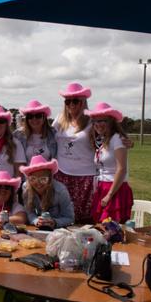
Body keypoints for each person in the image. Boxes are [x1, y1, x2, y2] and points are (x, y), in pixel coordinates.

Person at [52, 82, 96, 223]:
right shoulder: (60, 119)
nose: (71, 104)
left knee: (83, 221)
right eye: (68, 101)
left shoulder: (92, 121)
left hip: (85, 178)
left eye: (75, 101)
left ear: (83, 102)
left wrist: (125, 141)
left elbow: (108, 140)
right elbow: (45, 137)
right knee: (62, 218)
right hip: (62, 175)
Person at [87, 102, 134, 223]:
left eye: (103, 120)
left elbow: (121, 169)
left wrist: (110, 195)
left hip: (114, 189)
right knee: (101, 227)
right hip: (102, 186)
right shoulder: (102, 140)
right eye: (95, 121)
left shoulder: (117, 139)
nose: (98, 124)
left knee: (110, 228)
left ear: (111, 122)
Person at [20, 155, 74, 229]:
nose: (38, 183)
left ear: (50, 179)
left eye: (43, 179)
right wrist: (36, 221)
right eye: (33, 179)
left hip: (58, 230)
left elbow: (69, 218)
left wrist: (55, 222)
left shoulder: (61, 191)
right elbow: (29, 212)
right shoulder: (26, 187)